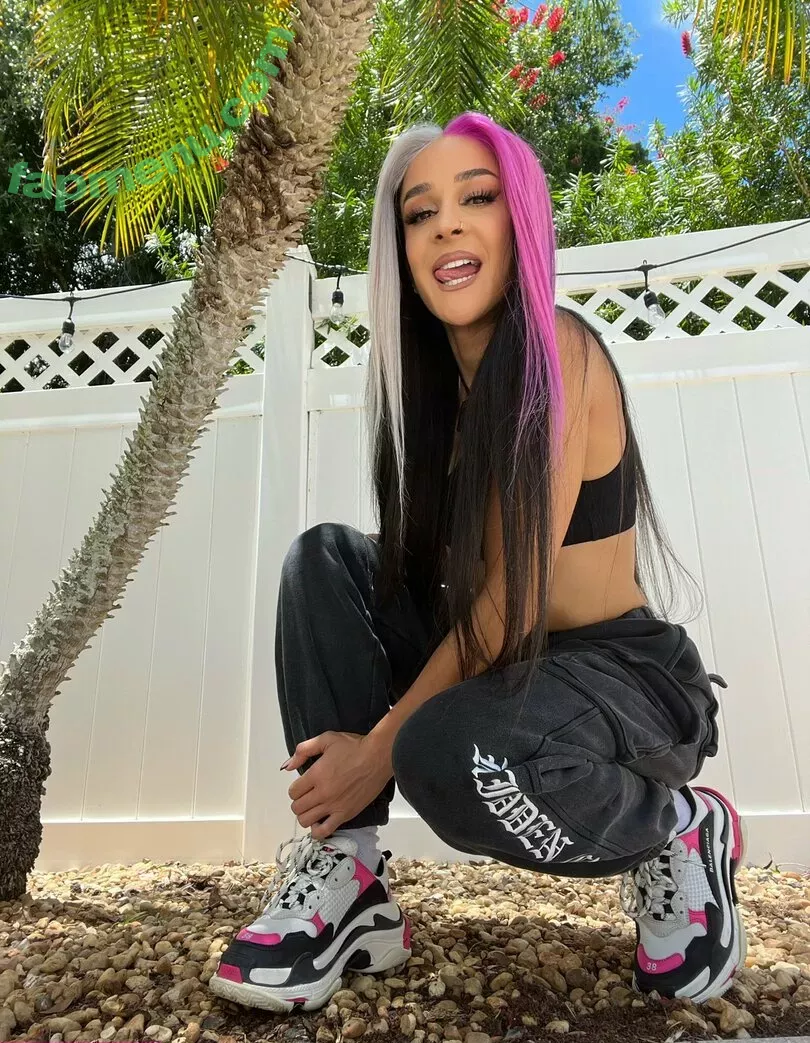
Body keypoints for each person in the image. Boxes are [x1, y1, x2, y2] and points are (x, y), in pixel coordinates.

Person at [208, 112, 746, 1015]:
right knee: (324, 560)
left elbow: (511, 602)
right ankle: (348, 873)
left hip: (620, 680)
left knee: (441, 752)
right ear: (401, 249)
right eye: (419, 213)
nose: (446, 224)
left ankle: (678, 829)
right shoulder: (434, 402)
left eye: (478, 197)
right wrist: (368, 757)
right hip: (512, 670)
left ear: (519, 219)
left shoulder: (559, 350)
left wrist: (377, 751)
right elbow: (442, 594)